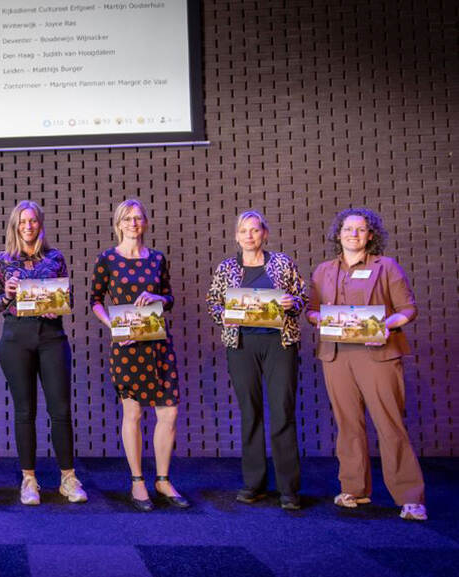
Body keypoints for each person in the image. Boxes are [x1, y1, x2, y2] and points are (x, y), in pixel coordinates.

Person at [306, 208, 427, 521]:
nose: (353, 234)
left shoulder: (385, 267)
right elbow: (312, 311)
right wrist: (318, 319)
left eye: (360, 230)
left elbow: (408, 309)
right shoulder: (323, 271)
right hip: (336, 356)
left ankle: (410, 497)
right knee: (348, 426)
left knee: (390, 425)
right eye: (348, 229)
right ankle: (354, 489)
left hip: (377, 355)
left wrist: (386, 326)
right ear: (339, 233)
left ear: (370, 235)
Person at [90, 199, 188, 512]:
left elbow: (169, 297)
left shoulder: (157, 259)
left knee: (168, 413)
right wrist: (114, 328)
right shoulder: (107, 259)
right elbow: (94, 300)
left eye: (138, 218)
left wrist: (159, 296)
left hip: (158, 345)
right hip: (126, 348)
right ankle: (137, 481)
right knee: (132, 414)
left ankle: (162, 479)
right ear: (118, 224)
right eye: (127, 219)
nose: (133, 223)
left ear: (145, 223)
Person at [205, 210, 306, 510]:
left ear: (265, 233)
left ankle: (289, 488)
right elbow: (213, 302)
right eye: (244, 231)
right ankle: (254, 484)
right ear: (237, 236)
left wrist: (292, 302)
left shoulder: (282, 263)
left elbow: (302, 297)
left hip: (280, 343)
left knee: (282, 413)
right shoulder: (226, 268)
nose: (250, 235)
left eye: (255, 230)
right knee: (250, 412)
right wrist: (223, 314)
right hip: (241, 345)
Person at [0, 201, 87, 505]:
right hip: (16, 338)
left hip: (51, 337)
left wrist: (56, 305)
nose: (28, 226)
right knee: (24, 411)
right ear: (15, 226)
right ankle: (29, 480)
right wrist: (5, 293)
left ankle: (68, 479)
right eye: (22, 222)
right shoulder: (3, 260)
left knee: (60, 410)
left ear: (40, 224)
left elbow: (66, 298)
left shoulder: (55, 258)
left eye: (32, 221)